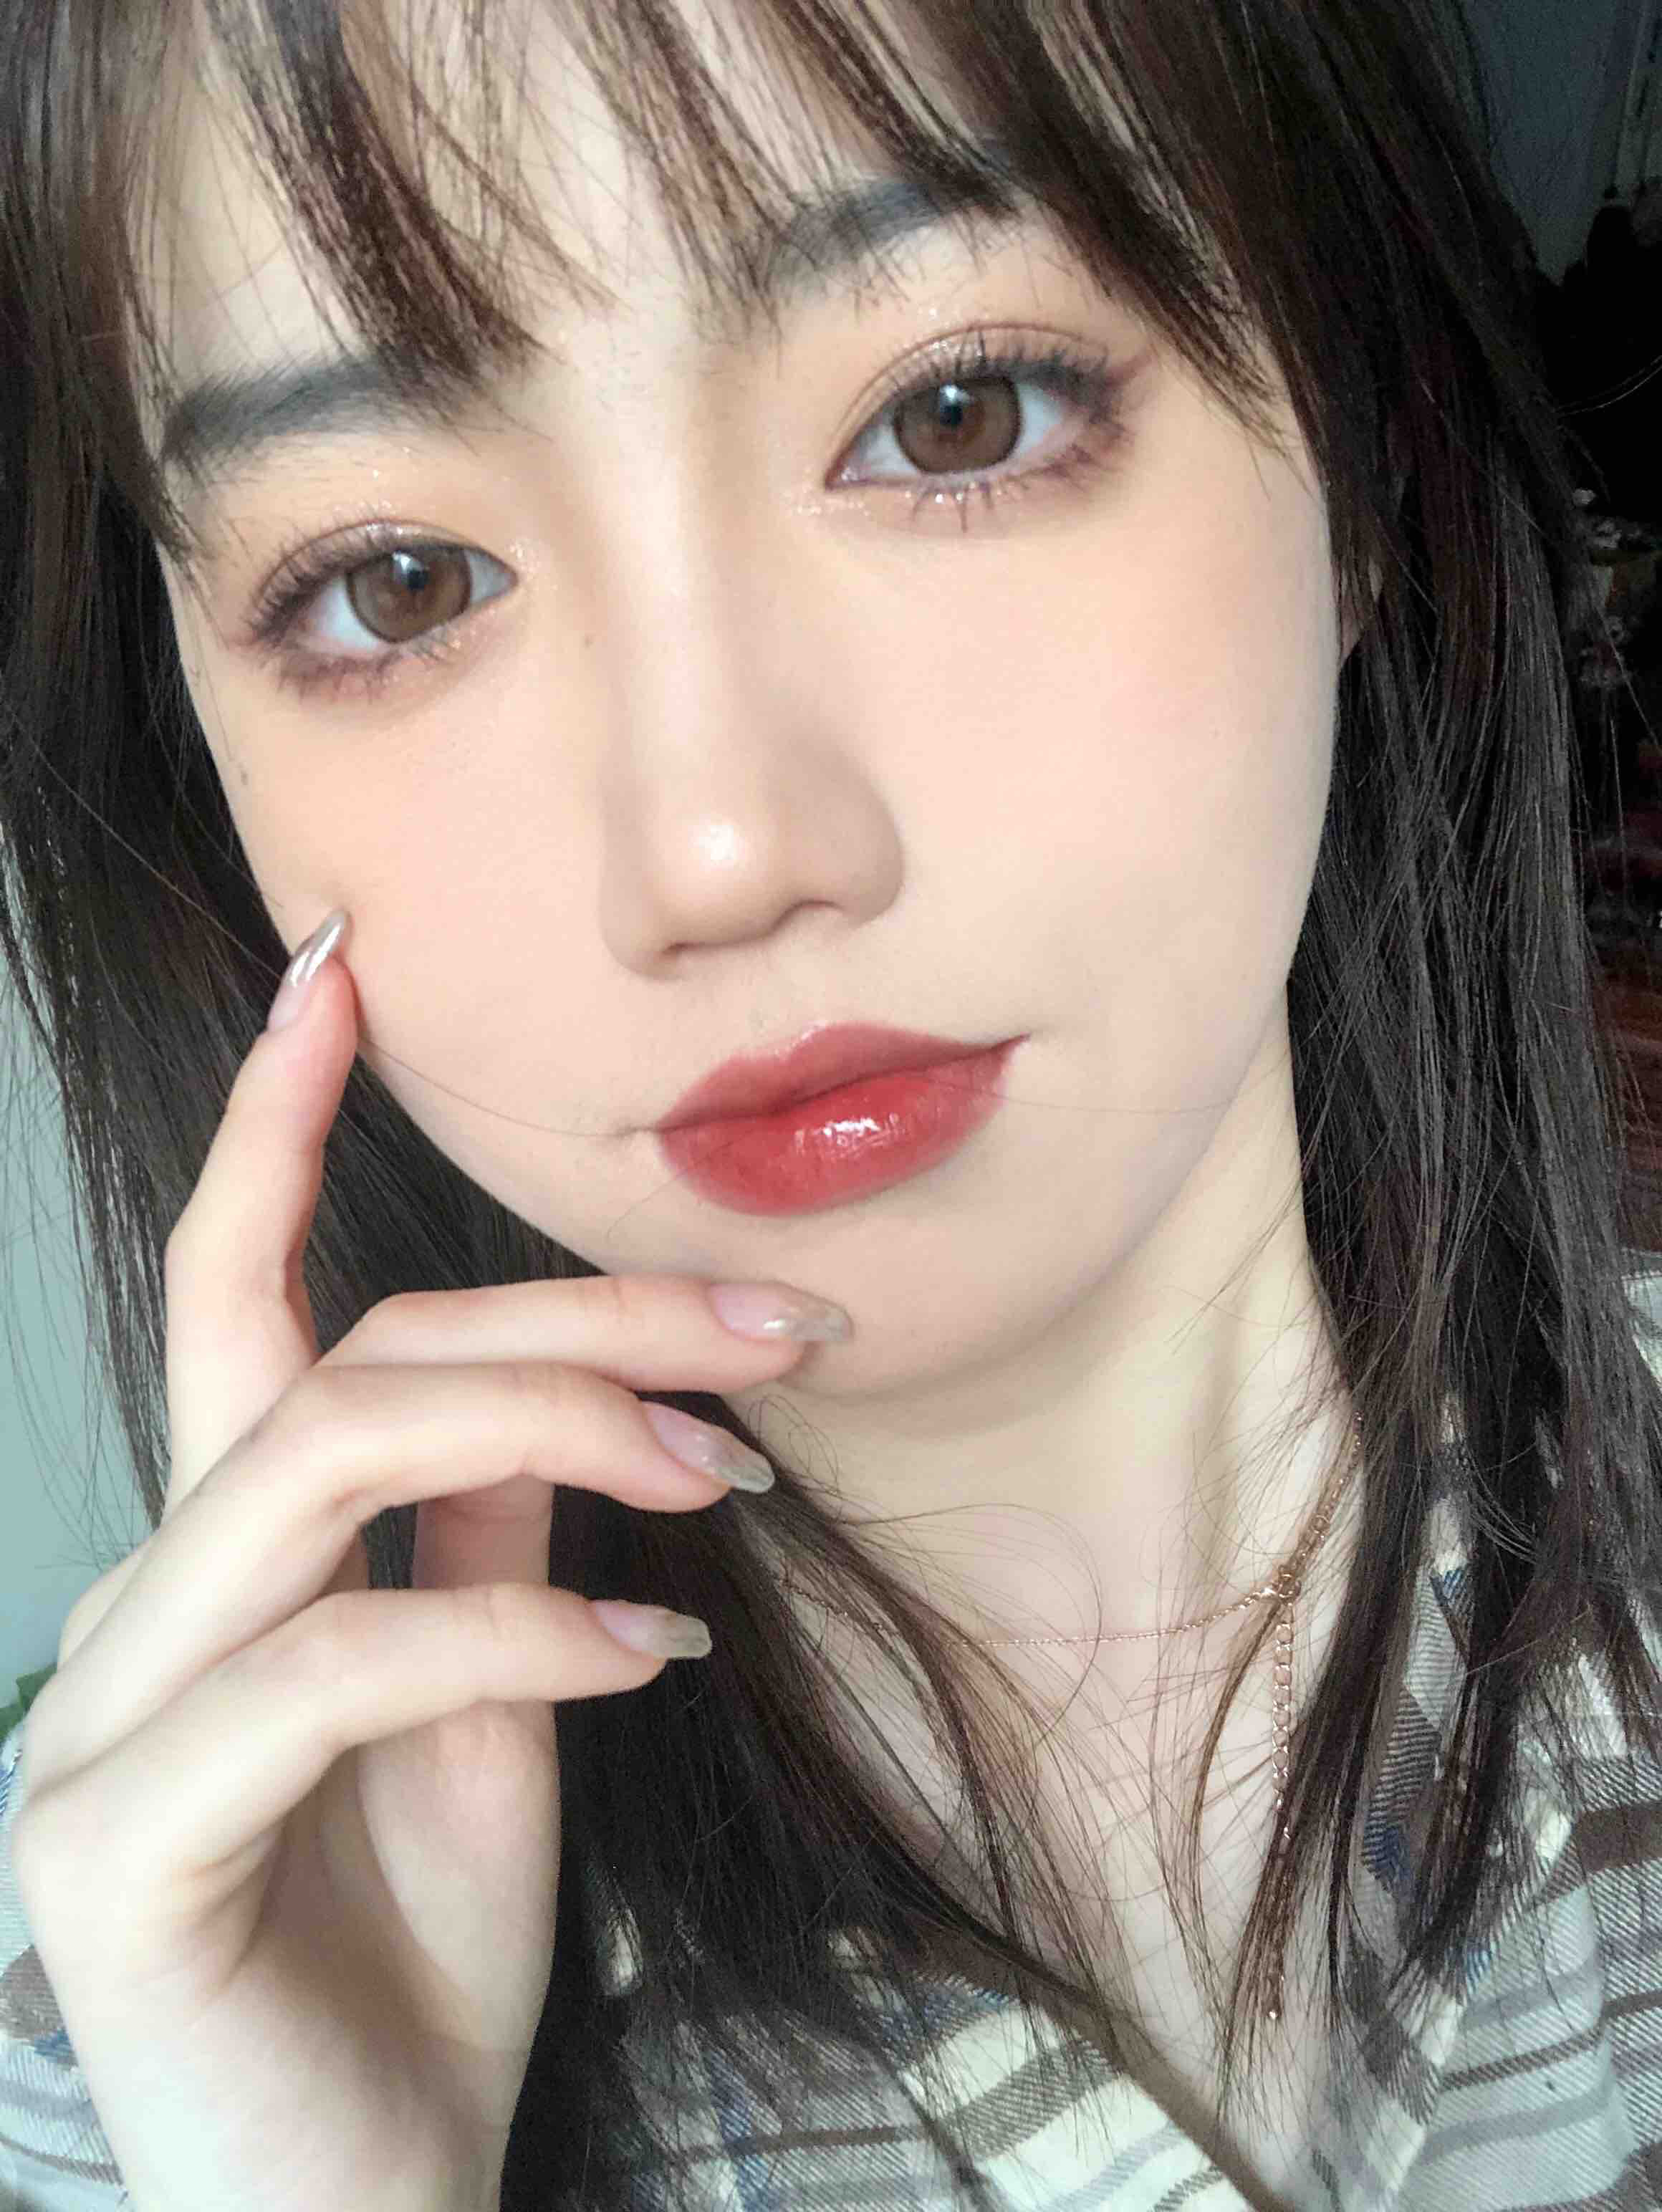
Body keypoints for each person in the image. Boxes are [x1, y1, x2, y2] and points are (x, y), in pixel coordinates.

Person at [1, 0, 1661, 2205]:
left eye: (956, 415)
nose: (719, 847)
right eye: (397, 584)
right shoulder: (158, 2023)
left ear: (1363, 461)